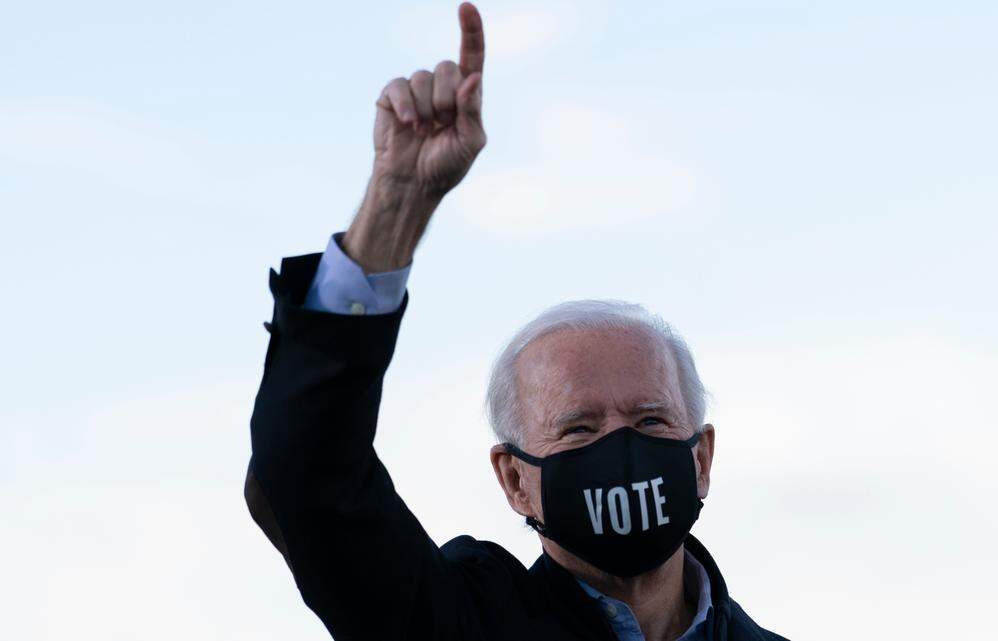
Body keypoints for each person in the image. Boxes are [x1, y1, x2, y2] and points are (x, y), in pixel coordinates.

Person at [243, 3, 789, 639]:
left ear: (701, 459)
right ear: (514, 480)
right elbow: (307, 478)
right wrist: (394, 207)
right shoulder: (457, 622)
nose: (621, 449)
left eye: (650, 420)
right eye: (579, 429)